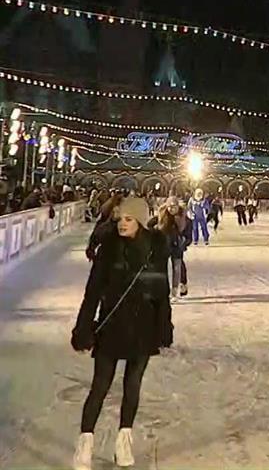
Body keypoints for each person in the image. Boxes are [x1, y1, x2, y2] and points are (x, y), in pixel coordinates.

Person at [71, 195, 172, 470]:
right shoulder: (109, 250)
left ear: (140, 221)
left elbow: (161, 293)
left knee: (132, 385)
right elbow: (92, 293)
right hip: (112, 325)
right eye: (119, 219)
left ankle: (123, 441)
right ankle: (85, 443)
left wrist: (164, 327)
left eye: (128, 219)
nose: (121, 224)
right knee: (100, 386)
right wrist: (83, 328)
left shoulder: (154, 249)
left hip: (143, 327)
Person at [155, 203, 190, 299]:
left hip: (177, 247)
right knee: (162, 269)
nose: (171, 209)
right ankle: (165, 290)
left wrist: (184, 241)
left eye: (174, 207)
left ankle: (176, 290)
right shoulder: (162, 216)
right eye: (169, 207)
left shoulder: (183, 218)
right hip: (164, 247)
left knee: (177, 268)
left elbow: (188, 233)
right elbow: (151, 226)